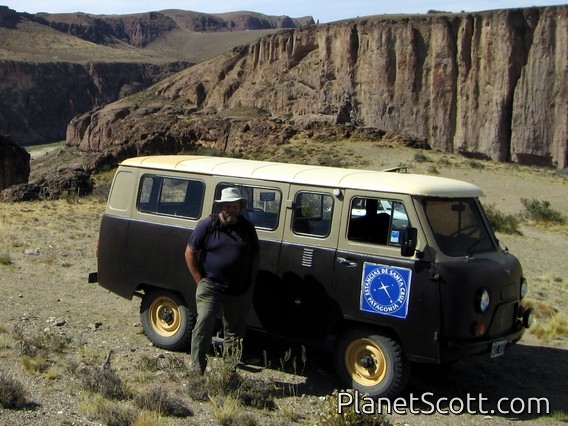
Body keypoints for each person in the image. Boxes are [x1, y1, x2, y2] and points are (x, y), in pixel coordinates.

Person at [184, 187, 260, 374]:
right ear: (221, 206)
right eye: (228, 206)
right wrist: (199, 280)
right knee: (203, 324)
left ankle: (229, 373)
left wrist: (251, 279)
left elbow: (256, 253)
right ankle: (197, 369)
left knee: (235, 332)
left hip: (239, 289)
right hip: (210, 286)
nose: (232, 210)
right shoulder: (207, 225)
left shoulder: (247, 227)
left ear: (240, 207)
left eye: (235, 206)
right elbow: (190, 252)